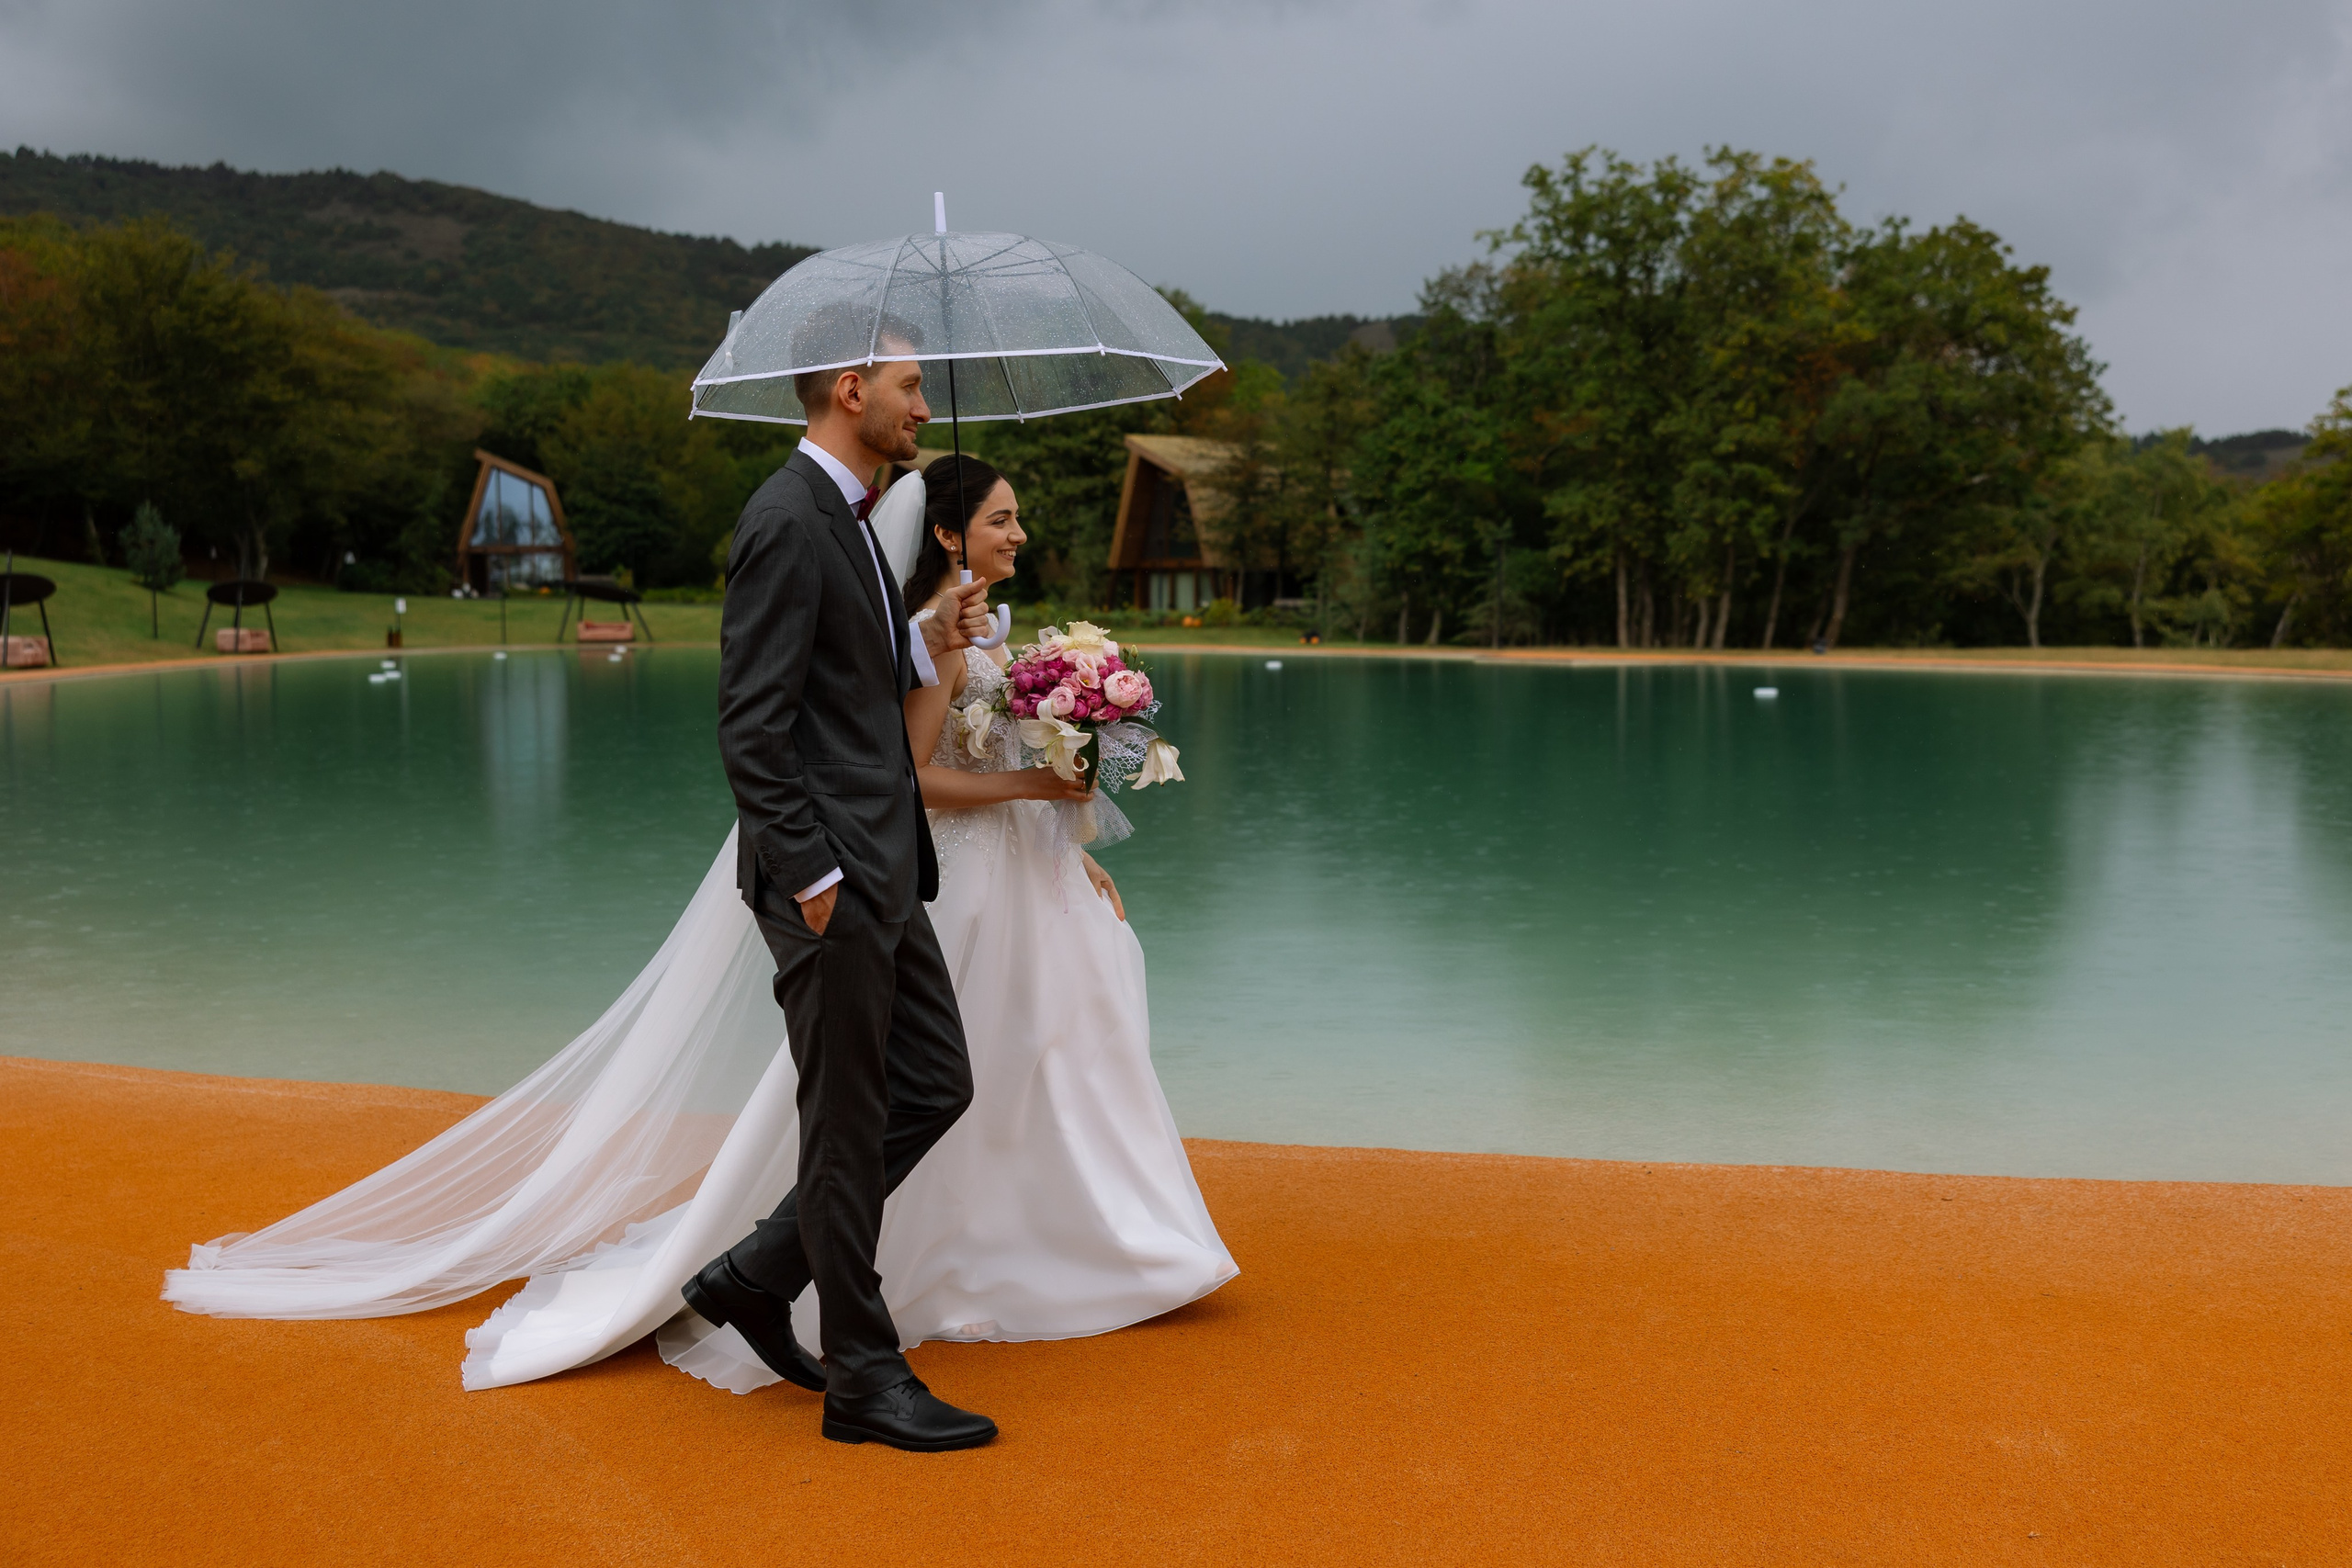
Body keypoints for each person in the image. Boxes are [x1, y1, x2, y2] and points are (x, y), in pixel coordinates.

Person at [660, 454, 1236, 1395]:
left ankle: (1049, 1236)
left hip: (1009, 868)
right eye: (1000, 518)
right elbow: (910, 776)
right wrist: (1031, 784)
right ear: (944, 531)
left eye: (1018, 518)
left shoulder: (970, 630)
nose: (1018, 534)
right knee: (925, 1080)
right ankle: (879, 1290)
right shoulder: (930, 633)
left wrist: (1068, 845)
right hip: (941, 879)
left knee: (1017, 1059)